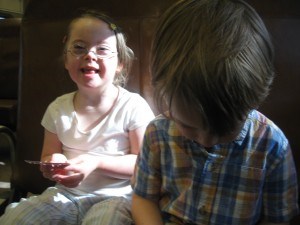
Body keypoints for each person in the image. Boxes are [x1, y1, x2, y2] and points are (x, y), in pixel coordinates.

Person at [131, 0, 299, 225]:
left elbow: (278, 219)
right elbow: (143, 198)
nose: (206, 140)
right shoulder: (157, 132)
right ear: (160, 86)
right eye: (189, 126)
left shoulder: (272, 146)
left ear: (254, 101)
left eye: (225, 129)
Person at [0, 9, 154, 225]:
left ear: (120, 64)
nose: (90, 55)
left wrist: (96, 162)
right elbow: (48, 155)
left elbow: (144, 164)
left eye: (102, 49)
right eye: (79, 47)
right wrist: (53, 164)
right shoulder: (57, 108)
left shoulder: (132, 106)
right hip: (65, 195)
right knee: (16, 219)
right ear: (66, 59)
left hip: (116, 198)